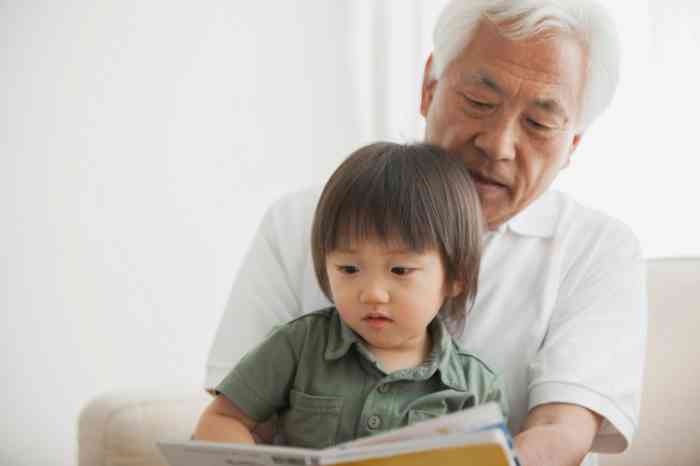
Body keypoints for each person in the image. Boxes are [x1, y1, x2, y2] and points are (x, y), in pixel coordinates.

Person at [205, 1, 647, 465]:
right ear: (428, 87)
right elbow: (237, 418)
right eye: (479, 102)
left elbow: (561, 430)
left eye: (539, 123)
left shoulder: (598, 250)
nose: (498, 145)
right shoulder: (299, 221)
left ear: (573, 143)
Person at [193, 142, 508, 447]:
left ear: (455, 277)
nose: (372, 294)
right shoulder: (297, 346)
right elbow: (221, 421)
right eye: (348, 269)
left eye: (400, 270)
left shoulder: (476, 388)